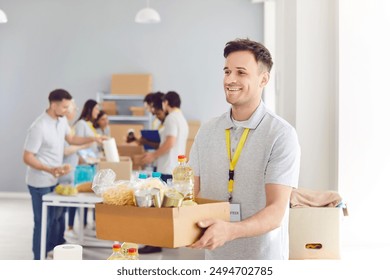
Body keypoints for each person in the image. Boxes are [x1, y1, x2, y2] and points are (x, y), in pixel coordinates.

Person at [188, 38, 301, 260]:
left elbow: (276, 212)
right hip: (214, 259)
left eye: (241, 72)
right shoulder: (207, 131)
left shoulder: (280, 134)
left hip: (262, 262)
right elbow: (191, 194)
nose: (230, 79)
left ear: (264, 79)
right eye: (227, 71)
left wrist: (230, 231)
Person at [23, 89, 104, 260]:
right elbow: (27, 157)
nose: (68, 110)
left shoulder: (61, 122)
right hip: (40, 181)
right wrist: (49, 169)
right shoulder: (39, 126)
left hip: (56, 177)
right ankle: (38, 259)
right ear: (54, 105)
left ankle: (53, 252)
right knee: (42, 222)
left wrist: (94, 139)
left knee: (55, 219)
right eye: (65, 107)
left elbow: (72, 139)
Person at [139, 91, 189, 254]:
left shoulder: (171, 118)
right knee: (168, 207)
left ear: (166, 102)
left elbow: (170, 142)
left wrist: (153, 155)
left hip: (166, 168)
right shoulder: (182, 119)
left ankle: (155, 242)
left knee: (157, 206)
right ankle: (164, 240)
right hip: (175, 168)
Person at [60, 100, 93, 234]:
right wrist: (85, 145)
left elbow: (73, 141)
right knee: (59, 213)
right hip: (63, 173)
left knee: (60, 213)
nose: (75, 111)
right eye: (74, 109)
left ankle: (61, 239)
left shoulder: (67, 126)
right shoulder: (73, 125)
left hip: (71, 170)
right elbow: (68, 149)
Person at [71, 99, 102, 231]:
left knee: (87, 196)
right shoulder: (81, 124)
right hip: (83, 166)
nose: (98, 111)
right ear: (89, 109)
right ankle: (73, 225)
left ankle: (84, 225)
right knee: (80, 196)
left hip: (91, 165)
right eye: (96, 109)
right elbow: (78, 145)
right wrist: (87, 158)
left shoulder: (90, 125)